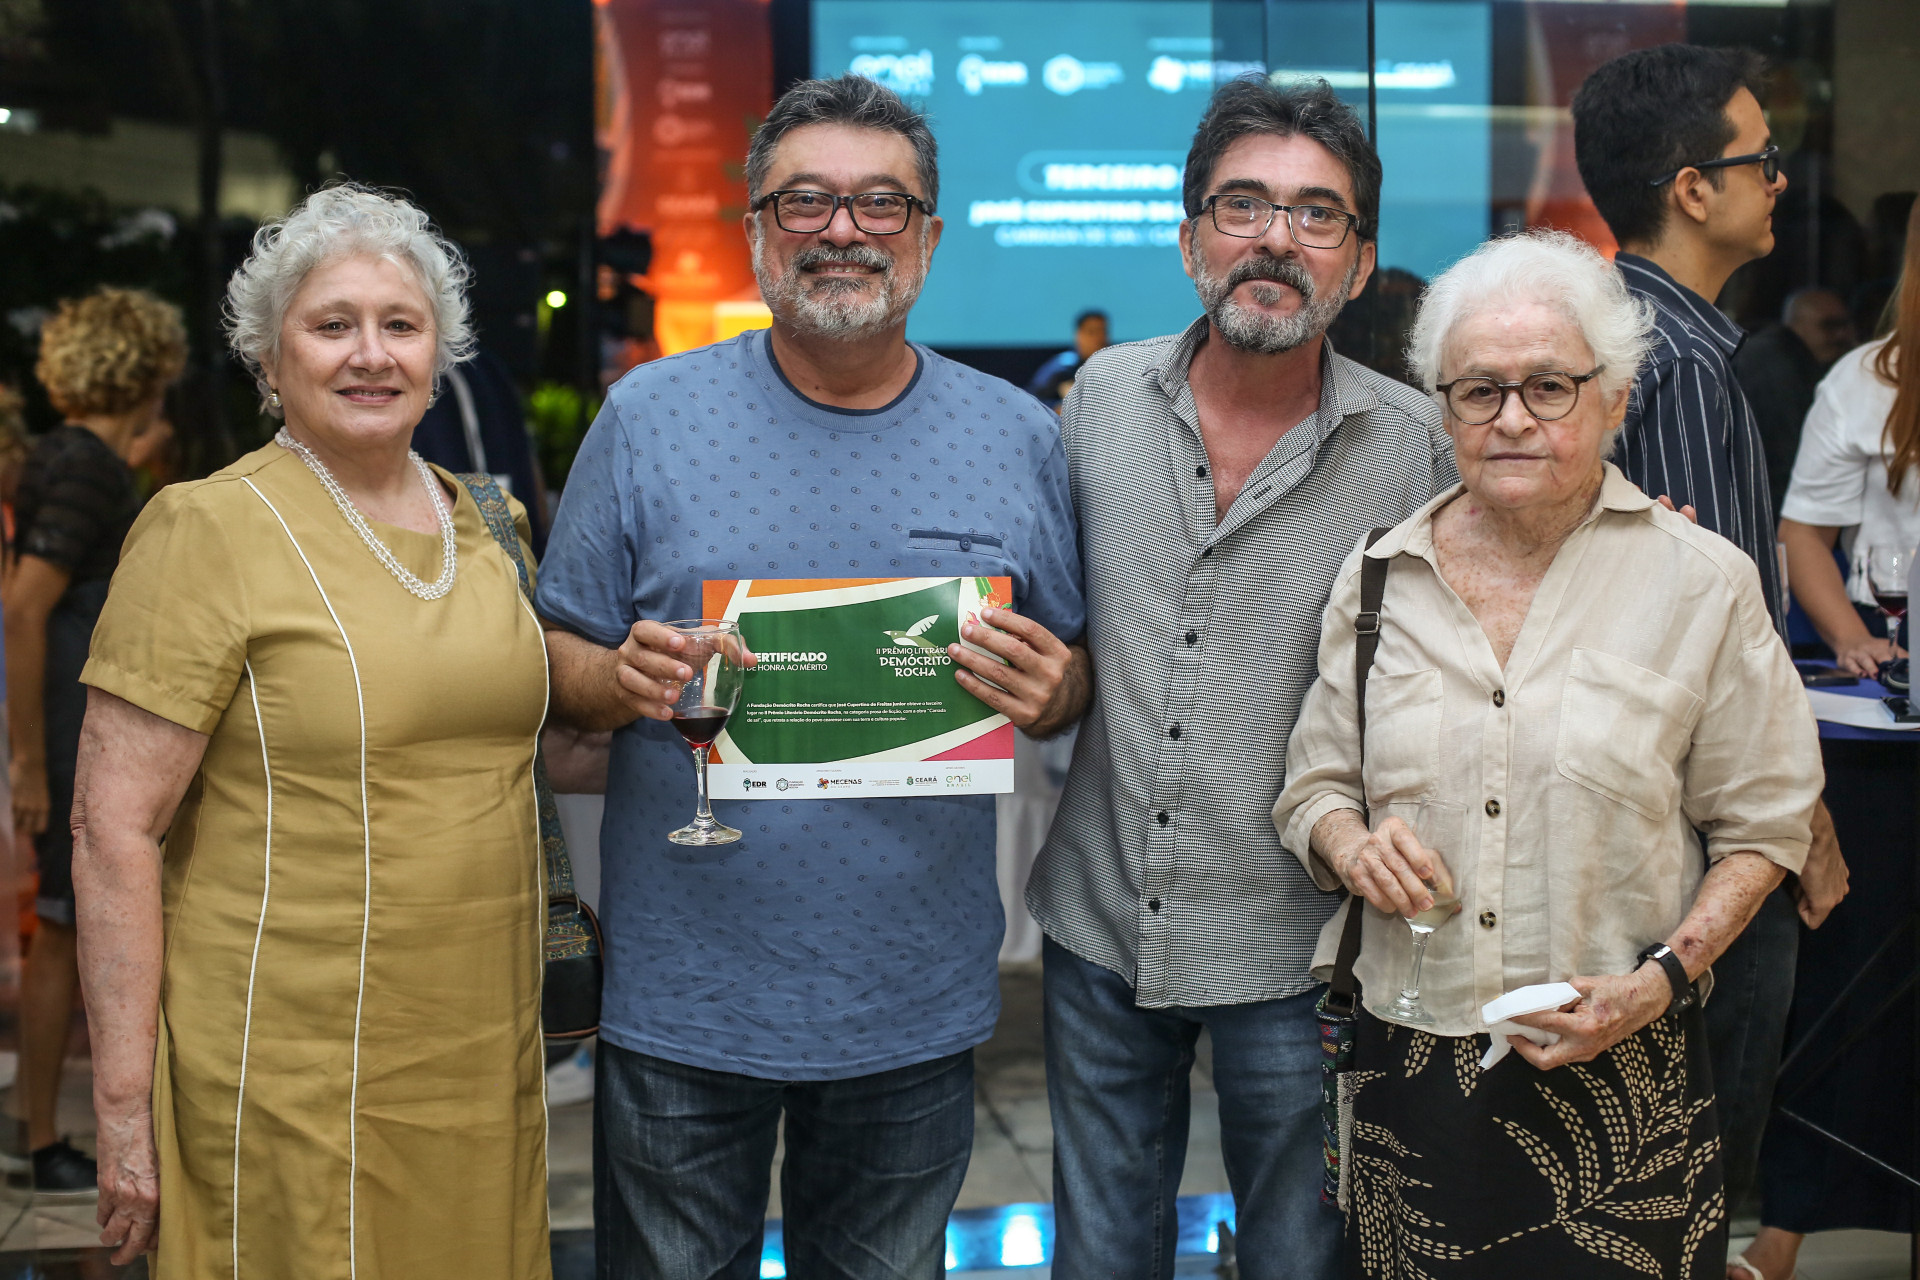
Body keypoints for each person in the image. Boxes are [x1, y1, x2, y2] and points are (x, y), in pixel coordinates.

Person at [535, 75, 1087, 1279]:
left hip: (911, 994)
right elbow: (553, 665)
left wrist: (1059, 689)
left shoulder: (1019, 435)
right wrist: (615, 673)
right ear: (754, 230)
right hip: (685, 995)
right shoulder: (647, 417)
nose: (844, 228)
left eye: (882, 202)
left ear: (930, 236)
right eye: (807, 201)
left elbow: (1078, 665)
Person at [1277, 228, 1823, 1278]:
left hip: (1627, 1074)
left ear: (1615, 399)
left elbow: (1766, 823)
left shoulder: (1702, 583)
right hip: (1410, 1068)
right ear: (1443, 411)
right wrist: (1349, 843)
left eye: (1550, 387)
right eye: (1478, 391)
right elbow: (1314, 786)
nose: (1512, 418)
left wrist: (1663, 977)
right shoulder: (1380, 580)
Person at [72, 183, 552, 1276]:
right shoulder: (207, 526)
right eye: (332, 325)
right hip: (291, 1055)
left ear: (440, 354)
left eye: (400, 324)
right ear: (268, 358)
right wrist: (121, 1105)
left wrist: (658, 684)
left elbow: (520, 746)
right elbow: (113, 828)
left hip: (480, 1047)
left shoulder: (489, 520)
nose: (370, 354)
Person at [1025, 77, 1455, 1280]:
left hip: (1299, 948)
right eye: (1244, 204)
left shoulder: (1417, 448)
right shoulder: (1094, 400)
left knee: (1298, 1261)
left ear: (1360, 264)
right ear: (1189, 237)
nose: (1276, 237)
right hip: (1099, 919)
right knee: (1099, 1256)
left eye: (1319, 216)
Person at [1572, 45, 1849, 1225]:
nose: (1780, 184)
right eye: (1763, 162)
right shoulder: (1675, 363)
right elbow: (1707, 648)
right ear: (1694, 188)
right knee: (1702, 1198)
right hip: (1693, 863)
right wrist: (1802, 822)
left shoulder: (1630, 339)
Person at [1740, 192, 1920, 1280]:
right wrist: (1853, 636)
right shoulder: (1868, 377)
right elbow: (1802, 529)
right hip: (1888, 716)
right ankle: (1789, 1221)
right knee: (1848, 970)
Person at [5, 288, 183, 1195]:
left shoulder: (79, 458)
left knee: (65, 932)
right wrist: (32, 762)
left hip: (83, 724)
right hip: (77, 732)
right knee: (64, 933)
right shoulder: (81, 467)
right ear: (145, 362)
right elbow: (27, 608)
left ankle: (38, 1131)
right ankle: (41, 1142)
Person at [1735, 288, 1858, 512]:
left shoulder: (1787, 358)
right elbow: (1783, 455)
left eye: (1845, 325)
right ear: (1798, 324)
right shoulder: (1774, 365)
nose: (1841, 335)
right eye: (1829, 326)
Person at [1026, 309, 1110, 408]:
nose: (1099, 338)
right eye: (1092, 332)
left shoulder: (1115, 369)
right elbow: (1031, 401)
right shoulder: (1061, 369)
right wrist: (1055, 408)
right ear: (1079, 335)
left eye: (1103, 332)